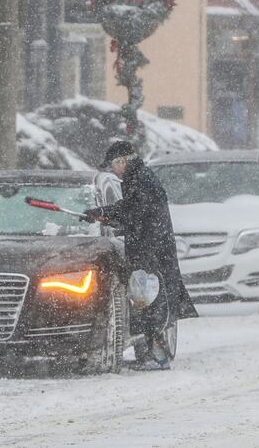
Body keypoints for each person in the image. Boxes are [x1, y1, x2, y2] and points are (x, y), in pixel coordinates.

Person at [82, 141, 198, 370]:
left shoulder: (139, 179)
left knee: (151, 303)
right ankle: (154, 355)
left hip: (150, 253)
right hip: (151, 250)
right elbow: (134, 213)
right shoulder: (139, 177)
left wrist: (104, 212)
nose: (113, 171)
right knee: (150, 303)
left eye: (113, 165)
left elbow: (134, 212)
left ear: (122, 161)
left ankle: (158, 357)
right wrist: (106, 215)